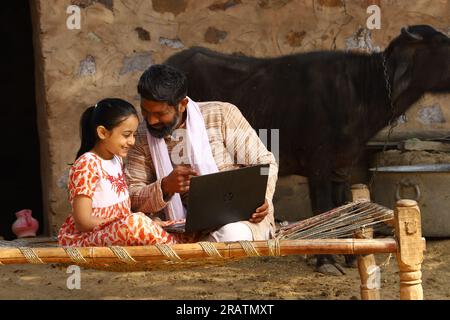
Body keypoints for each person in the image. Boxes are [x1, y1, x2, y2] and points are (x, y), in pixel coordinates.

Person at [126, 64, 278, 242]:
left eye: (160, 113)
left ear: (182, 104)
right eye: (145, 111)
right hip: (175, 227)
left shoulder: (221, 114)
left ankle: (196, 250)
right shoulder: (140, 135)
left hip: (239, 219)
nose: (151, 120)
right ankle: (195, 248)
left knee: (233, 233)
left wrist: (261, 199)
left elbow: (265, 163)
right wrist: (165, 187)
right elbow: (132, 194)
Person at [58, 98, 183, 246]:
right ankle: (177, 246)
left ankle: (177, 239)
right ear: (103, 132)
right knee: (135, 223)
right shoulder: (87, 164)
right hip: (87, 238)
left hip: (120, 229)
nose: (132, 141)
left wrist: (147, 222)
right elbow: (83, 222)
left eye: (134, 135)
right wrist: (129, 221)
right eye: (126, 135)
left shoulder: (116, 159)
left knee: (180, 224)